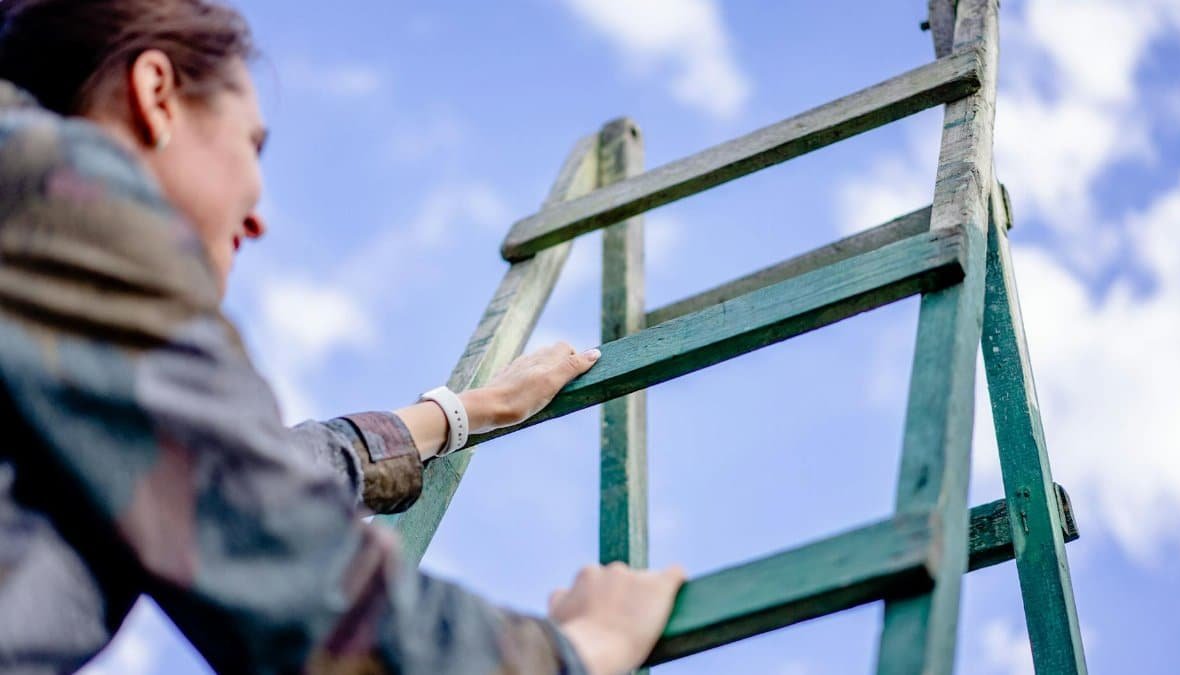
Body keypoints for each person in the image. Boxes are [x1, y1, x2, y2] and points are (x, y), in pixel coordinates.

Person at [0, 0, 685, 673]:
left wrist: (467, 410)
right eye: (251, 143)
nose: (258, 217)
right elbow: (273, 546)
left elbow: (223, 466)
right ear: (156, 96)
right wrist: (578, 649)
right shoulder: (51, 180)